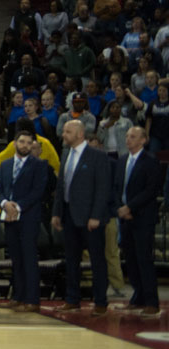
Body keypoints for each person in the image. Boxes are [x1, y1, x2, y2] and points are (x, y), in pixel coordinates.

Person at [51, 120, 112, 315]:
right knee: (71, 260)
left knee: (97, 260)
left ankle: (101, 302)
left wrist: (96, 216)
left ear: (79, 133)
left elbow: (103, 189)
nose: (63, 135)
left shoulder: (97, 156)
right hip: (69, 215)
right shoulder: (66, 154)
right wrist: (56, 212)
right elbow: (61, 186)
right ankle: (72, 299)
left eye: (68, 132)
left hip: (90, 219)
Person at [0, 130, 49, 313]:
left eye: (29, 142)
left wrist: (16, 207)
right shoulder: (5, 164)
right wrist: (4, 203)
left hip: (28, 218)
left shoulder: (39, 165)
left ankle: (32, 300)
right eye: (22, 141)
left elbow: (38, 191)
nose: (25, 145)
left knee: (29, 258)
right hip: (9, 218)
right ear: (15, 143)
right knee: (16, 259)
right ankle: (17, 297)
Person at [118, 127, 160, 317]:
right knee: (131, 260)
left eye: (133, 136)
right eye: (127, 136)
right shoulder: (122, 161)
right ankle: (138, 297)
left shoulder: (150, 161)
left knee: (144, 259)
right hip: (125, 218)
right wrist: (121, 208)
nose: (128, 139)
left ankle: (152, 301)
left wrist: (130, 207)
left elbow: (151, 190)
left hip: (143, 217)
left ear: (143, 140)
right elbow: (117, 187)